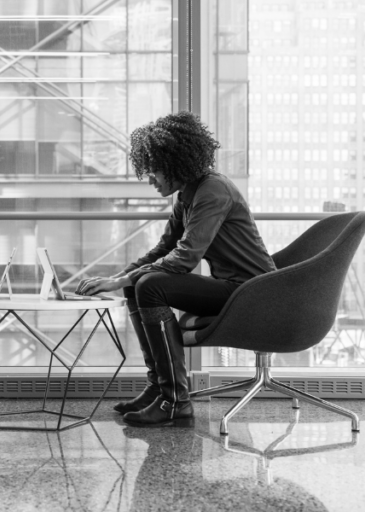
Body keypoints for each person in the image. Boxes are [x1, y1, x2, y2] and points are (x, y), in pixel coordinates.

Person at [76, 111, 275, 427]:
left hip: (254, 293)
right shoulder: (188, 194)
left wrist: (124, 280)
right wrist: (117, 279)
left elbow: (185, 258)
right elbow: (162, 251)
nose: (150, 178)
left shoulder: (214, 190)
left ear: (174, 164)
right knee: (137, 284)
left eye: (153, 170)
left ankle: (175, 400)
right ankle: (159, 388)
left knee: (148, 285)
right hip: (233, 288)